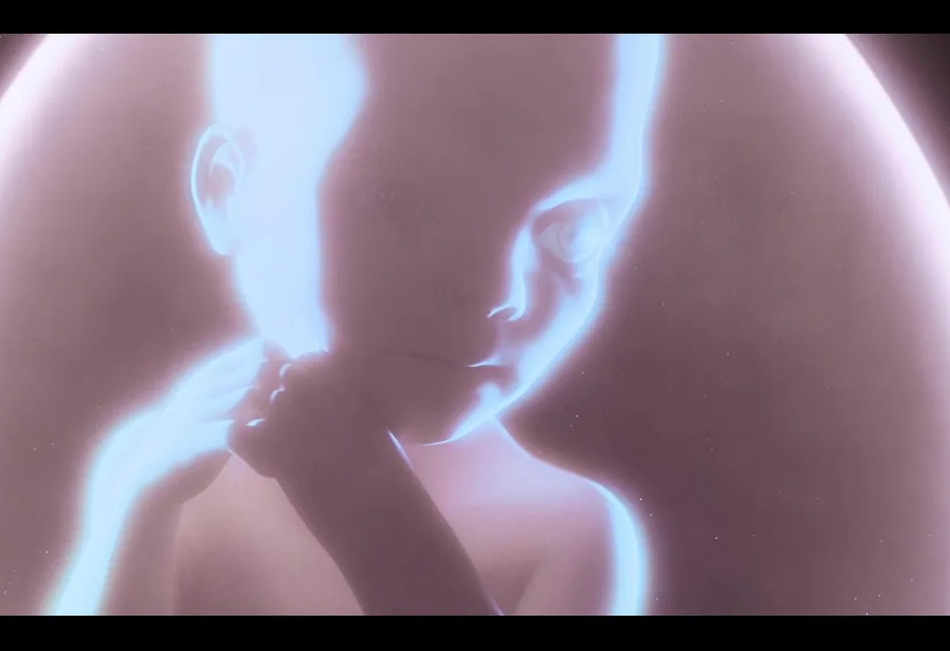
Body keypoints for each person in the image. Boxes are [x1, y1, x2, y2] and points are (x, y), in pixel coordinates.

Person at [48, 34, 667, 615]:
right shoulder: (168, 468)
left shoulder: (570, 526)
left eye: (572, 233)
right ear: (227, 188)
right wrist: (139, 513)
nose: (499, 291)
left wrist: (382, 528)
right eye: (400, 204)